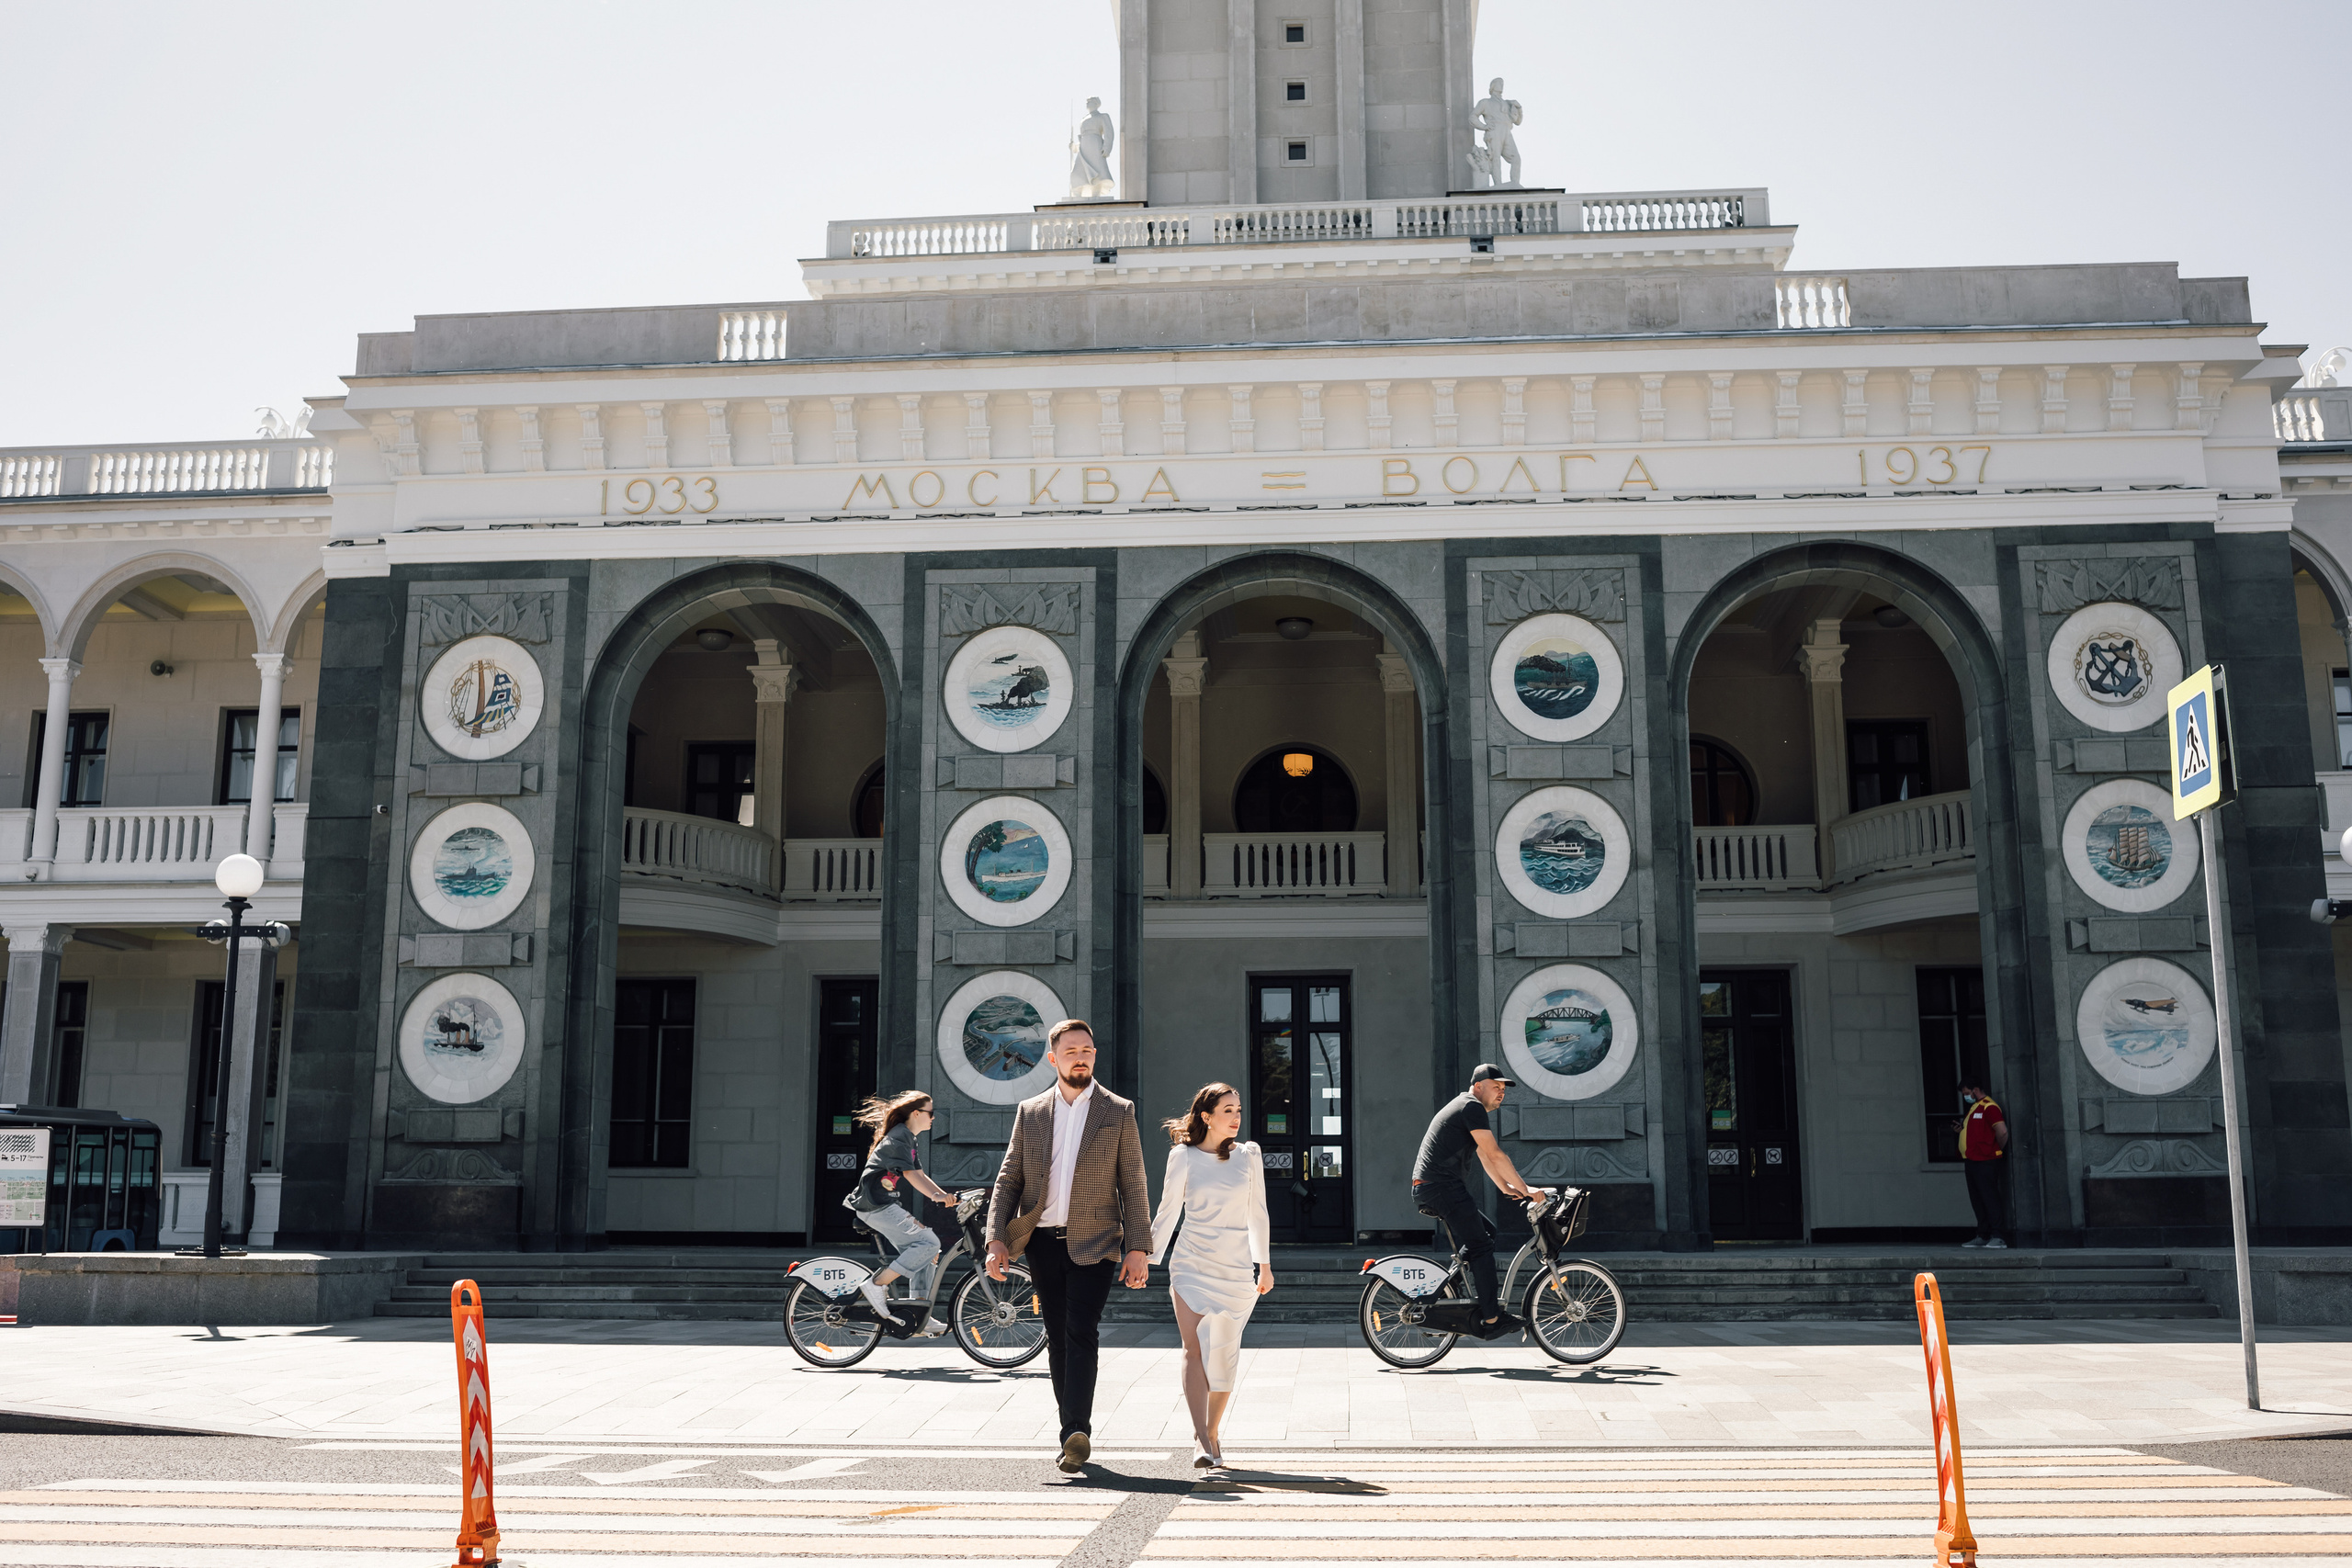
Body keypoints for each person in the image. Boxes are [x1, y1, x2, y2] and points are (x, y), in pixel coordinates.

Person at [985, 1020, 1152, 1474]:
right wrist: (996, 1238)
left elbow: (1133, 1183)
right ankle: (1071, 1434)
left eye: (1088, 1050)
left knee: (1081, 1332)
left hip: (1097, 1242)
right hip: (1041, 1241)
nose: (1081, 1057)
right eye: (1071, 1051)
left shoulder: (1118, 1111)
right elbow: (1009, 1178)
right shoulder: (1032, 1111)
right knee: (1057, 1337)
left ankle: (1077, 1429)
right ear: (1053, 1058)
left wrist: (1139, 1247)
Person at [1149, 1082, 1272, 1470]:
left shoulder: (1248, 1155)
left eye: (1238, 1110)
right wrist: (1146, 1258)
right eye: (1227, 1111)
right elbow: (1168, 1210)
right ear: (1206, 1116)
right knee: (1194, 1349)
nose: (1236, 1118)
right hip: (1191, 1263)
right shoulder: (1183, 1156)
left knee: (1224, 1357)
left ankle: (1213, 1430)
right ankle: (1201, 1439)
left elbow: (1258, 1213)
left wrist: (1264, 1264)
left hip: (1235, 1267)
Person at [1411, 1063, 1533, 1337]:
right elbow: (1496, 1154)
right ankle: (1492, 1319)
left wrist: (1505, 1187)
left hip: (1435, 1186)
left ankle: (1440, 1298)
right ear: (1478, 1086)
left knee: (1486, 1233)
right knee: (1481, 1245)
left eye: (1504, 1089)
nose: (1501, 1093)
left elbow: (1484, 1155)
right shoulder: (1471, 1106)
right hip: (1441, 1186)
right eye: (1495, 1087)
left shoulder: (1467, 1107)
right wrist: (1525, 1189)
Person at [848, 1090, 957, 1334]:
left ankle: (919, 1315)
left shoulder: (908, 1138)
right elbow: (910, 1176)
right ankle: (877, 1284)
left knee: (928, 1251)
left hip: (884, 1205)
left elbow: (920, 1175)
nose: (933, 1118)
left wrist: (946, 1197)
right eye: (931, 1113)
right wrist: (937, 1197)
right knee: (929, 1242)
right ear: (916, 1113)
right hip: (875, 1206)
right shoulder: (899, 1137)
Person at [1957, 1081, 2009, 1249]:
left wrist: (1995, 1150)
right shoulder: (1975, 1108)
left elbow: (2002, 1131)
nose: (1966, 1096)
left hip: (1985, 1160)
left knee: (1989, 1197)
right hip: (1972, 1160)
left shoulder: (1989, 1107)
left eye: (1967, 1093)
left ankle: (1998, 1236)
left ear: (1976, 1089)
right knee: (1977, 1199)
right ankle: (1983, 1234)